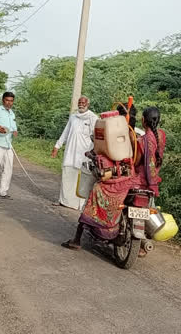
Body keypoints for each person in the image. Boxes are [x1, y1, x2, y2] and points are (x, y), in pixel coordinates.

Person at [62, 106, 167, 250]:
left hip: (137, 179)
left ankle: (78, 238)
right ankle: (141, 244)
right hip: (152, 182)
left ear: (143, 120)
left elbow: (134, 162)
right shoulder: (160, 135)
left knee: (98, 189)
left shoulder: (141, 140)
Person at [50, 96, 98, 210]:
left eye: (83, 102)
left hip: (84, 154)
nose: (81, 104)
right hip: (70, 152)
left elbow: (95, 137)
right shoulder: (73, 117)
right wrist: (57, 146)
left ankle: (80, 205)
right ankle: (64, 201)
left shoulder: (93, 118)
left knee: (81, 180)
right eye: (79, 102)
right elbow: (65, 133)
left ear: (88, 104)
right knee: (67, 176)